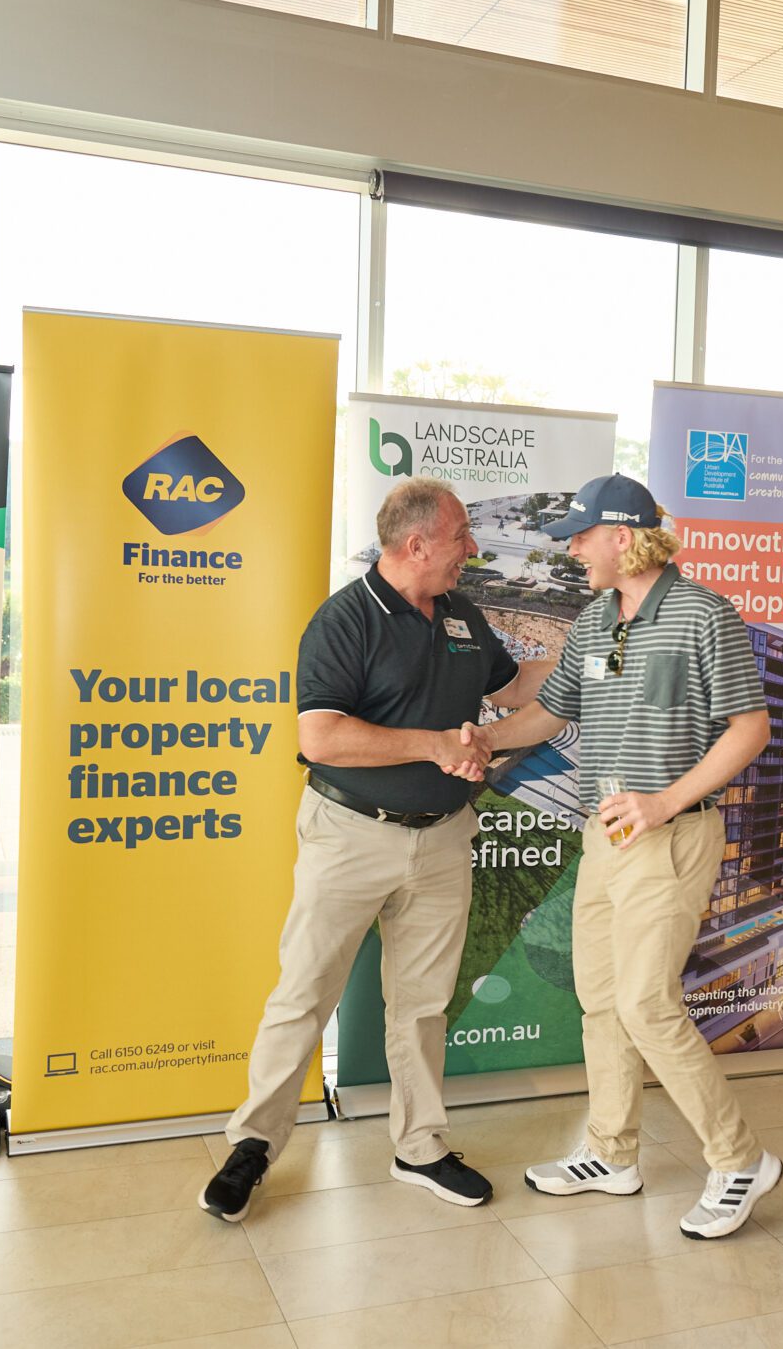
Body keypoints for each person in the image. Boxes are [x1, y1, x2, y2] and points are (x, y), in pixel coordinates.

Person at [198, 478, 550, 1222]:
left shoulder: (461, 613)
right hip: (351, 835)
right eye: (460, 536)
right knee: (304, 993)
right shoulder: (345, 619)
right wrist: (434, 745)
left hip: (444, 838)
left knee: (422, 1005)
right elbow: (321, 737)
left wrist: (601, 656)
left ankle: (419, 1146)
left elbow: (516, 686)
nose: (472, 548)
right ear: (416, 544)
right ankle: (252, 1145)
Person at [463, 473, 783, 1239]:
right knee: (602, 998)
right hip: (604, 836)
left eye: (580, 536)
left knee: (645, 1002)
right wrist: (483, 739)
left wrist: (664, 801)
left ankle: (740, 1158)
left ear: (622, 536)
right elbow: (550, 713)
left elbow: (751, 729)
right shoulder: (596, 618)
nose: (572, 550)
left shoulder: (703, 615)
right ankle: (612, 1151)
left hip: (669, 835)